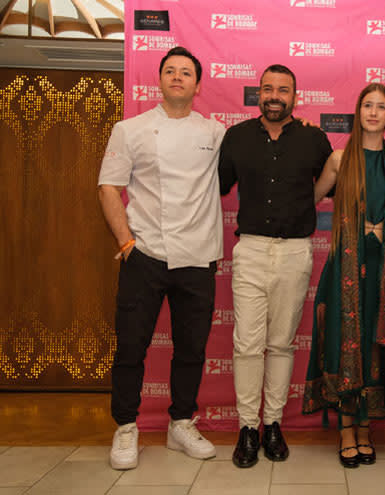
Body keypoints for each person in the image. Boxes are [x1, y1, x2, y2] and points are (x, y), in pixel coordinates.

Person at [98, 46, 223, 470]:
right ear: (159, 80)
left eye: (186, 72)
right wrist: (127, 243)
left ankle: (181, 423)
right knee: (131, 346)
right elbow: (108, 188)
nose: (177, 77)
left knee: (191, 349)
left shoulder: (214, 133)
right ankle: (126, 427)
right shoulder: (129, 129)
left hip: (198, 257)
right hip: (145, 254)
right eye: (170, 70)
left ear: (197, 85)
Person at [218, 64, 333, 468]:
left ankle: (272, 425)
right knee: (247, 345)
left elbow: (335, 180)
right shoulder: (236, 138)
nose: (274, 96)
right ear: (258, 94)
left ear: (294, 97)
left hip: (295, 252)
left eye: (283, 90)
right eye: (267, 88)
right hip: (249, 250)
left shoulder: (314, 139)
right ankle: (247, 428)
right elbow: (212, 187)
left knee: (281, 344)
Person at [302, 83, 385, 468]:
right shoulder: (339, 159)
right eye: (367, 105)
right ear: (358, 110)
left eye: (381, 107)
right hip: (346, 271)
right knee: (342, 342)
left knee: (373, 342)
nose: (373, 112)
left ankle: (367, 429)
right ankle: (347, 430)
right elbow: (312, 197)